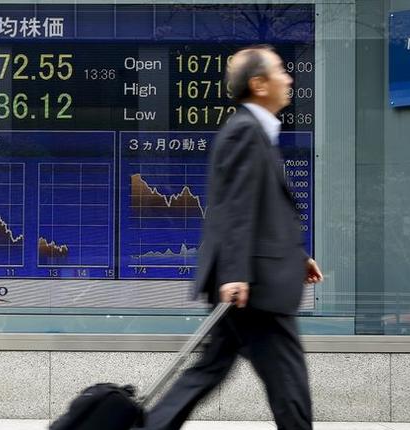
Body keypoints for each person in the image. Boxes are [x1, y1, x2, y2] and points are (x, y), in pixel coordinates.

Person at [141, 45, 324, 430]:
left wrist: (296, 257)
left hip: (252, 281)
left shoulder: (253, 131)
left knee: (207, 372)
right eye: (280, 72)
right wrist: (235, 274)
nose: (289, 79)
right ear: (259, 84)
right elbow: (236, 210)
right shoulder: (245, 131)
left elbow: (260, 208)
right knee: (289, 383)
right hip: (253, 288)